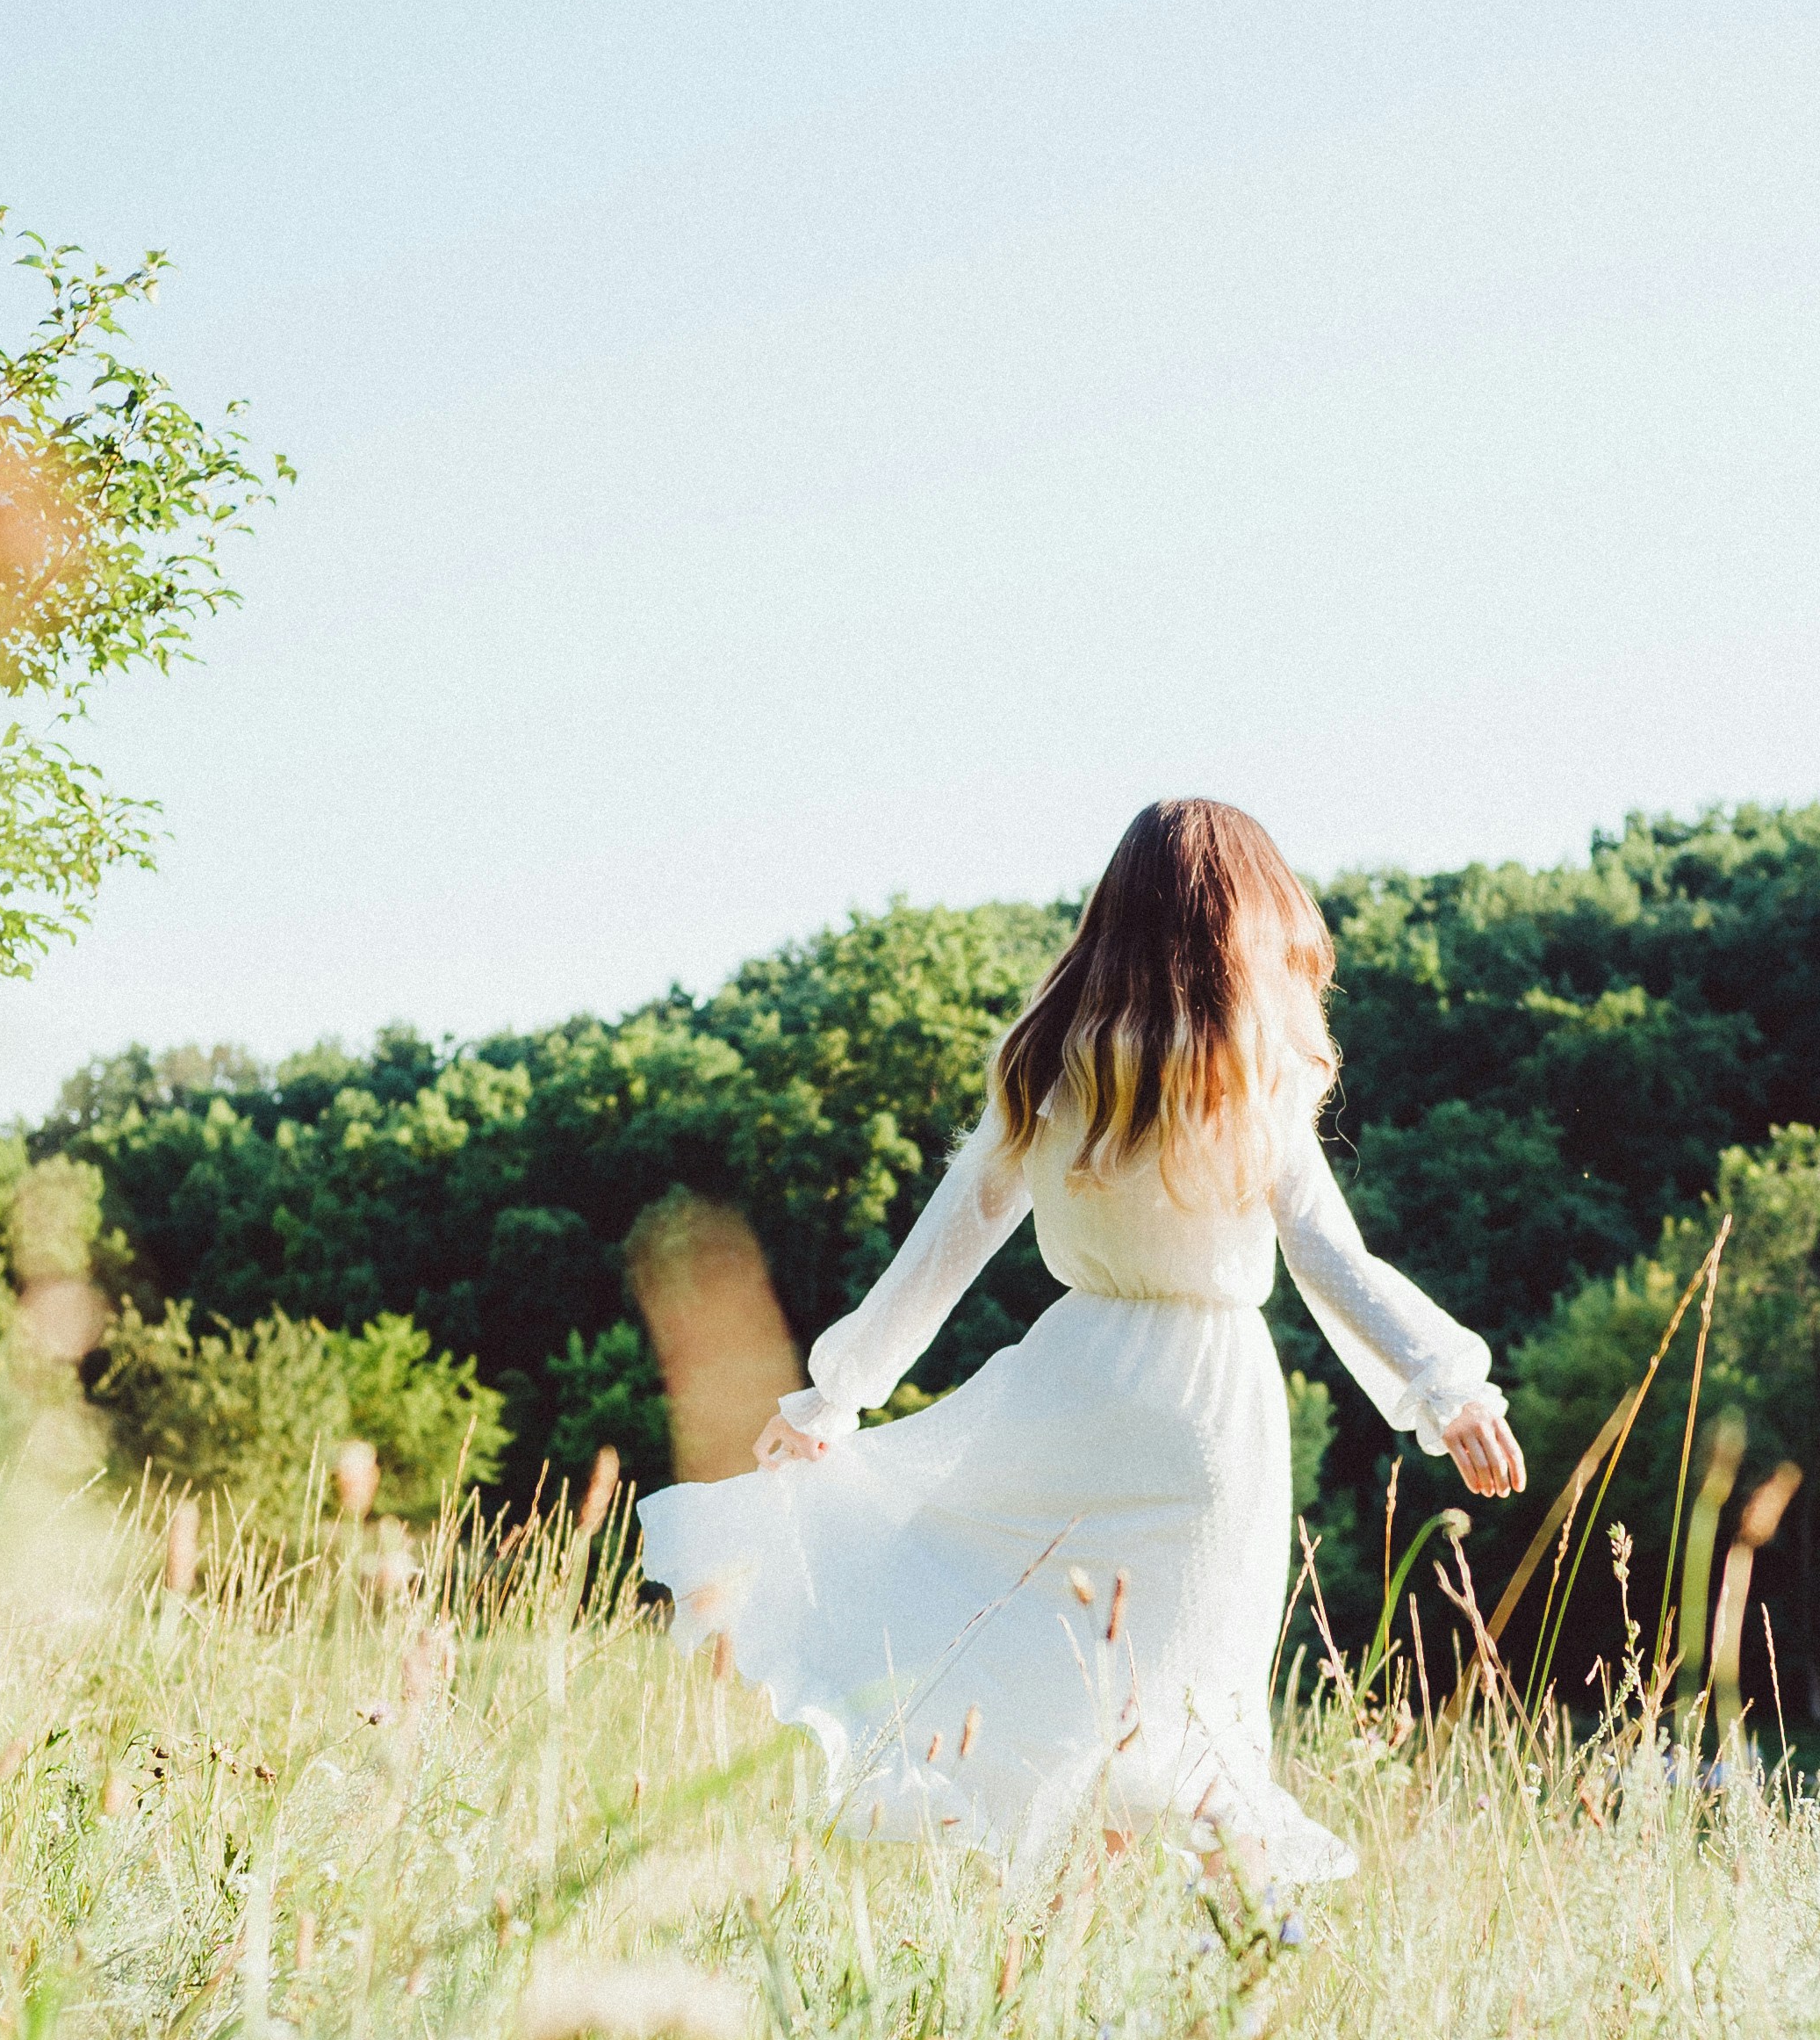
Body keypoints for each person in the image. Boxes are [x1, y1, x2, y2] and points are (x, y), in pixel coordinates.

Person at [637, 798, 1527, 1890]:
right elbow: (1337, 1268)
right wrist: (1450, 1386)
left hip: (1073, 1387)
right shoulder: (1251, 1085)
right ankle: (1226, 1958)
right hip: (1209, 1415)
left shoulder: (1049, 1074)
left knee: (1052, 1668)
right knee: (1194, 1698)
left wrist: (837, 1394)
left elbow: (942, 1249)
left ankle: (1065, 1925)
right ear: (1250, 934)